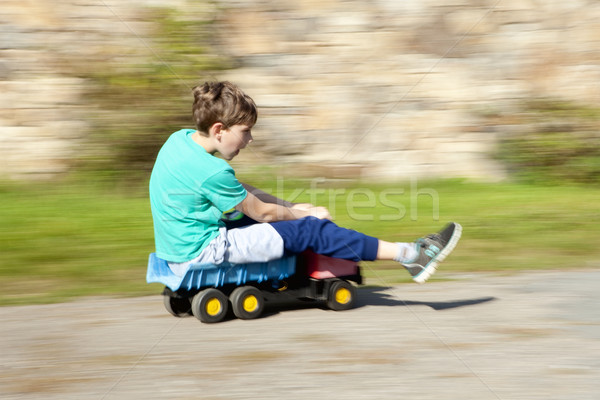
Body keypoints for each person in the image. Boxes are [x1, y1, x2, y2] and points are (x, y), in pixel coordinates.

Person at [149, 81, 461, 284]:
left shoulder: (181, 141)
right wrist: (306, 216)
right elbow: (264, 214)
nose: (250, 139)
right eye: (244, 132)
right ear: (219, 130)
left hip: (178, 247)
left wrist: (291, 206)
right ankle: (411, 255)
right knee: (310, 230)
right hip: (204, 251)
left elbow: (244, 195)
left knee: (249, 215)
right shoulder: (214, 172)